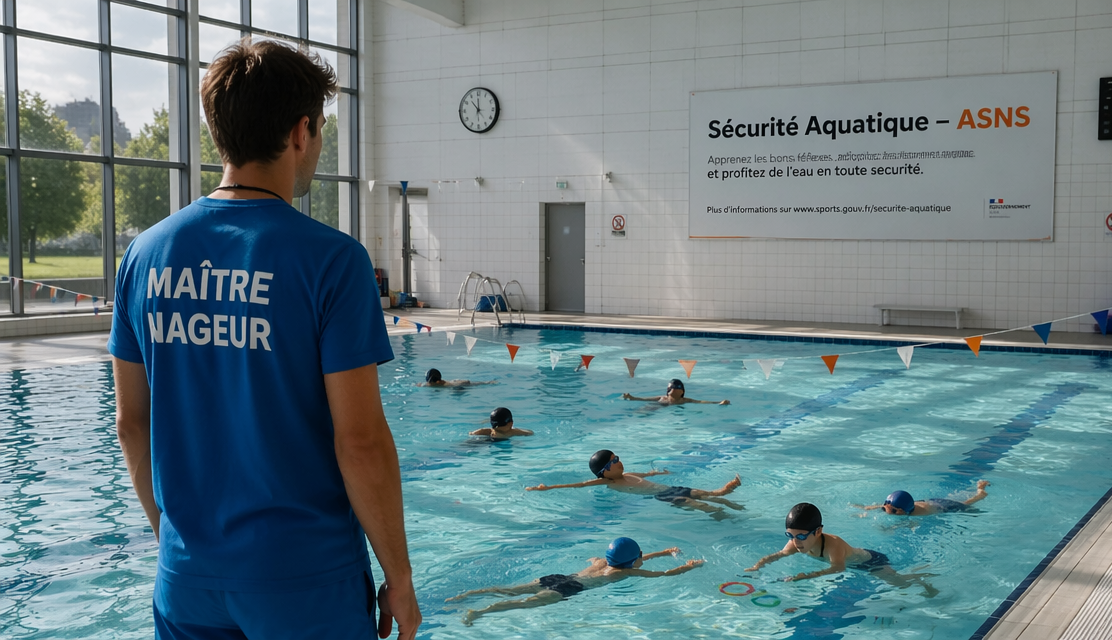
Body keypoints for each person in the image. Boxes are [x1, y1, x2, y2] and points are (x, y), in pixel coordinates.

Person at [108, 39, 421, 640]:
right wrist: (399, 577)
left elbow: (131, 422)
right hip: (307, 582)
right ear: (301, 132)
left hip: (186, 581)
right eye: (322, 130)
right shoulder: (332, 261)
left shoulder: (145, 254)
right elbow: (360, 442)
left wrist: (171, 538)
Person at [446, 537, 703, 626]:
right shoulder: (621, 573)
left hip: (559, 576)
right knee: (523, 604)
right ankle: (478, 612)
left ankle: (465, 596)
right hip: (571, 588)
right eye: (640, 558)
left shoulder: (602, 562)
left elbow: (631, 556)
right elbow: (663, 575)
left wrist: (664, 551)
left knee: (508, 590)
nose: (643, 560)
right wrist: (688, 567)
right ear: (631, 563)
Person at [746, 503, 936, 596]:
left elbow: (838, 568)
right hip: (853, 563)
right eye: (791, 536)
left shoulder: (833, 544)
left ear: (818, 531)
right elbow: (776, 555)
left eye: (801, 536)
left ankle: (921, 576)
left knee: (900, 584)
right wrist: (758, 566)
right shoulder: (795, 543)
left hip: (870, 562)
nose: (796, 542)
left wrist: (808, 576)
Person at [525, 450, 743, 515]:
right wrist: (548, 488)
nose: (620, 463)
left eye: (618, 459)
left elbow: (647, 474)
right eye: (614, 462)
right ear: (604, 473)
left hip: (670, 488)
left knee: (710, 494)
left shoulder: (628, 474)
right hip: (663, 496)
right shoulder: (604, 483)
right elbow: (578, 485)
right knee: (702, 506)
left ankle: (726, 497)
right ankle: (722, 515)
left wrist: (658, 473)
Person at [857, 480, 991, 516]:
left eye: (893, 511)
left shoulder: (914, 514)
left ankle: (980, 494)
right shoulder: (895, 506)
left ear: (903, 511)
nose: (888, 511)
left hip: (944, 507)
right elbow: (884, 506)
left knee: (966, 504)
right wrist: (866, 508)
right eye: (887, 507)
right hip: (931, 502)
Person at [622, 378, 730, 405]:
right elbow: (645, 399)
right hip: (660, 406)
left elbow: (701, 402)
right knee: (645, 411)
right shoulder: (662, 398)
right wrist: (632, 398)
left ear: (682, 391)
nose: (673, 390)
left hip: (667, 408)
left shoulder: (685, 400)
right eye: (671, 388)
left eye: (675, 388)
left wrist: (718, 402)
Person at [419, 368, 496, 388]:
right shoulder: (432, 384)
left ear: (438, 382)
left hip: (459, 385)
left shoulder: (449, 385)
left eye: (430, 382)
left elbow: (467, 382)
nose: (428, 384)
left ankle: (489, 382)